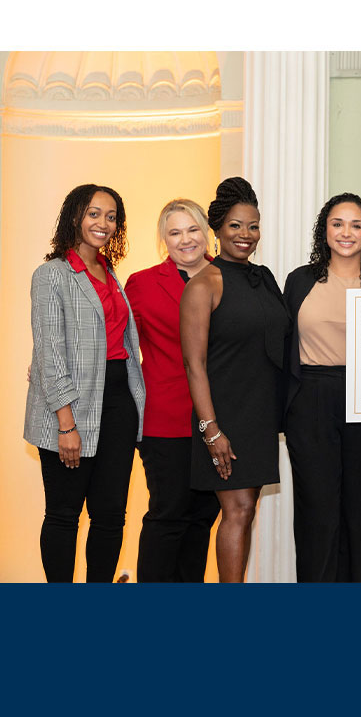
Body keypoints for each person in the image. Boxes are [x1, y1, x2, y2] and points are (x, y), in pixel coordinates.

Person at [283, 193, 361, 582]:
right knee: (316, 514)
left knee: (358, 515)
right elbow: (281, 349)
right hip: (311, 403)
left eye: (356, 225)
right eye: (337, 223)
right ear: (325, 230)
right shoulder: (299, 280)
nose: (346, 232)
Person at [24, 184, 145, 582]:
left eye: (111, 217)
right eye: (95, 214)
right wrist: (66, 423)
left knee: (111, 515)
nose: (104, 223)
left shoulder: (110, 273)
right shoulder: (51, 275)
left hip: (118, 404)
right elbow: (50, 352)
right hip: (72, 408)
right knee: (63, 514)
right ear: (75, 216)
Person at [181, 177, 291, 583]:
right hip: (224, 416)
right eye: (235, 226)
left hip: (259, 415)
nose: (246, 235)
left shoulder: (264, 278)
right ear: (217, 229)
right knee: (238, 510)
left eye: (253, 226)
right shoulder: (203, 285)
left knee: (247, 510)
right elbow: (194, 365)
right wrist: (211, 431)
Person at [125, 199, 220, 582]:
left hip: (220, 420)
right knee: (169, 515)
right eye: (175, 232)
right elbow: (116, 342)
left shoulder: (232, 276)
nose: (186, 240)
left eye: (193, 229)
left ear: (206, 231)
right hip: (166, 419)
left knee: (202, 519)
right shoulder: (143, 284)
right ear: (164, 240)